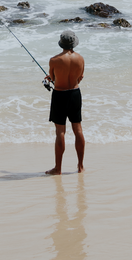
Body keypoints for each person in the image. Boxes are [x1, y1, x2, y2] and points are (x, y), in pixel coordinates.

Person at [45, 30, 85, 175]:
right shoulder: (80, 59)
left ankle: (58, 168)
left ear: (61, 43)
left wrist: (50, 78)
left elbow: (53, 78)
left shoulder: (54, 60)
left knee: (60, 132)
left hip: (60, 95)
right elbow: (80, 77)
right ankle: (80, 166)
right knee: (78, 130)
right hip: (75, 94)